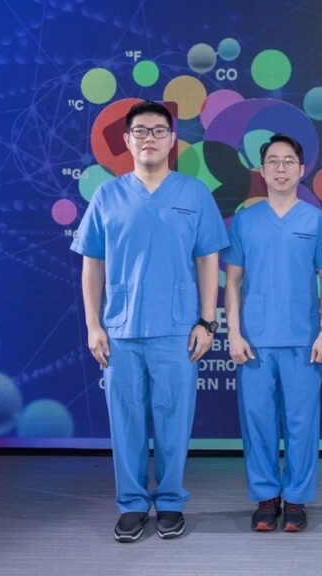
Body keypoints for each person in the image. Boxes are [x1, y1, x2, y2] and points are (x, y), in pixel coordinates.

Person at [71, 100, 228, 542]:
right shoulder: (107, 196)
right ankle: (133, 504)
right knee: (126, 423)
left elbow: (208, 259)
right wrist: (94, 325)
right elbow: (92, 264)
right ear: (127, 140)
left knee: (175, 420)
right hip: (121, 331)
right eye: (140, 131)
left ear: (173, 139)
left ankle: (171, 501)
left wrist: (206, 321)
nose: (150, 138)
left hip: (178, 330)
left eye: (159, 131)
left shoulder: (194, 194)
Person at [222, 134, 322, 533]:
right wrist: (234, 333)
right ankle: (265, 497)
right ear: (261, 170)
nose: (280, 168)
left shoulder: (315, 220)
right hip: (254, 342)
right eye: (272, 161)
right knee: (257, 422)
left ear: (301, 169)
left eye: (288, 161)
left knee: (301, 424)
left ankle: (295, 499)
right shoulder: (245, 220)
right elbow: (232, 281)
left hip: (303, 340)